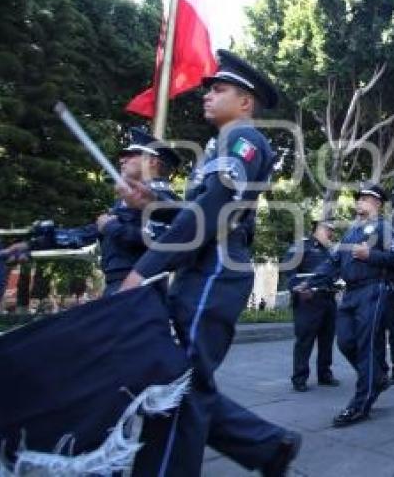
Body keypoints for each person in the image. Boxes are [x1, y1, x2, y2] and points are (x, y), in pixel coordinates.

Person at [118, 51, 301, 476]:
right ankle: (269, 447)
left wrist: (142, 270)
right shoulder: (219, 147)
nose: (207, 96)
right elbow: (198, 208)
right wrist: (156, 204)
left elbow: (213, 213)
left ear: (245, 102)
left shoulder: (245, 142)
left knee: (178, 387)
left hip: (215, 272)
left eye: (219, 89)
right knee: (185, 382)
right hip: (202, 271)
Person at [5, 128, 180, 296]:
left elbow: (161, 240)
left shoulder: (166, 202)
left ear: (152, 161)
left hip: (141, 288)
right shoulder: (126, 202)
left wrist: (111, 227)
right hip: (120, 286)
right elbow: (87, 233)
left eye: (130, 155)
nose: (122, 160)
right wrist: (32, 245)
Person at [303, 182, 394, 428]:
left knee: (367, 346)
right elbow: (332, 263)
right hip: (350, 294)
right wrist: (311, 283)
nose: (359, 201)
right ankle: (376, 376)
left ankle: (361, 404)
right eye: (359, 197)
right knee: (345, 342)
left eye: (365, 198)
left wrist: (370, 255)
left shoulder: (384, 228)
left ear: (377, 203)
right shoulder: (351, 232)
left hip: (374, 291)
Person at [283, 219, 340, 392]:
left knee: (327, 340)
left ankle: (325, 374)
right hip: (308, 300)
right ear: (316, 229)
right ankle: (299, 378)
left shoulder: (331, 251)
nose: (331, 233)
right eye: (327, 229)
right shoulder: (302, 246)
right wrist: (298, 290)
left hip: (328, 298)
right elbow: (288, 269)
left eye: (332, 230)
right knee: (304, 340)